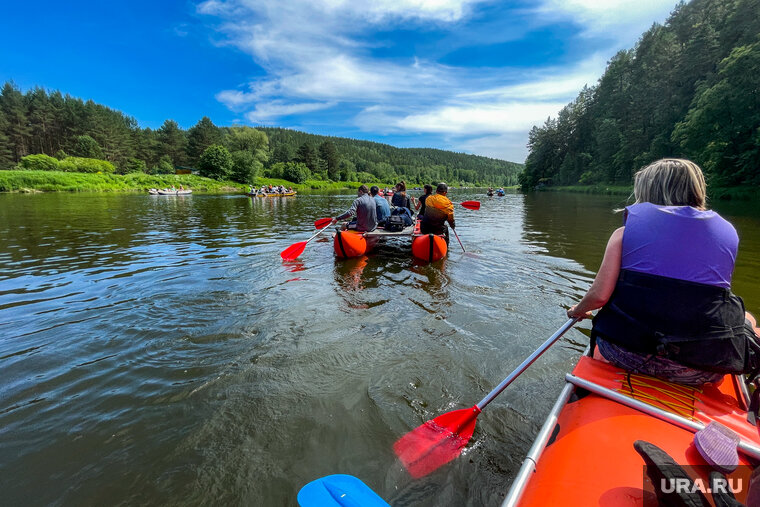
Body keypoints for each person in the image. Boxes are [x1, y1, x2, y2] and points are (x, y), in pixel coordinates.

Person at [567, 158, 760, 386]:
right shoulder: (727, 235)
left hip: (623, 354)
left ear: (647, 191)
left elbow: (599, 296)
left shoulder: (624, 233)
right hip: (700, 371)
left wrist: (577, 310)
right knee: (748, 318)